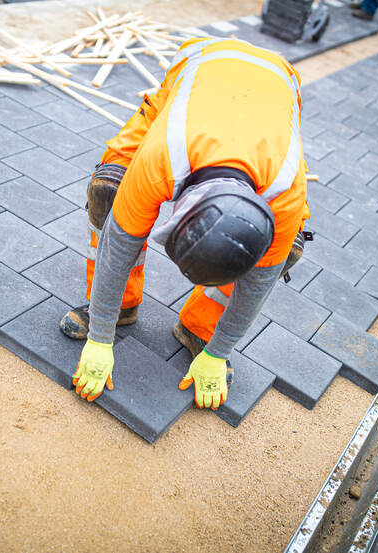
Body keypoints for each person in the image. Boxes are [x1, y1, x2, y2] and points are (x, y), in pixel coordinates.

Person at [60, 37, 310, 411]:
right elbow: (118, 244)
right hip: (201, 68)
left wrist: (220, 352)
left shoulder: (285, 194)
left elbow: (259, 283)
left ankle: (202, 330)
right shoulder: (162, 158)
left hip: (274, 88)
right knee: (109, 191)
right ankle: (119, 308)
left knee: (286, 250)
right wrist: (100, 338)